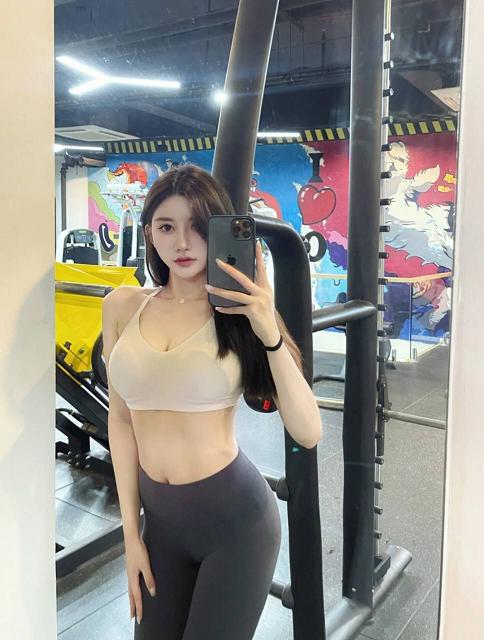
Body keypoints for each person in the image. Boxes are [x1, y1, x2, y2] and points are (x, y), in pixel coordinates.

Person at [102, 164, 323, 640]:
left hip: (236, 524)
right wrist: (131, 534)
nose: (183, 243)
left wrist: (268, 325)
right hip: (160, 525)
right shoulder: (121, 306)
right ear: (149, 234)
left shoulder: (238, 313)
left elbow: (308, 431)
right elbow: (120, 420)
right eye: (167, 227)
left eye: (198, 227)